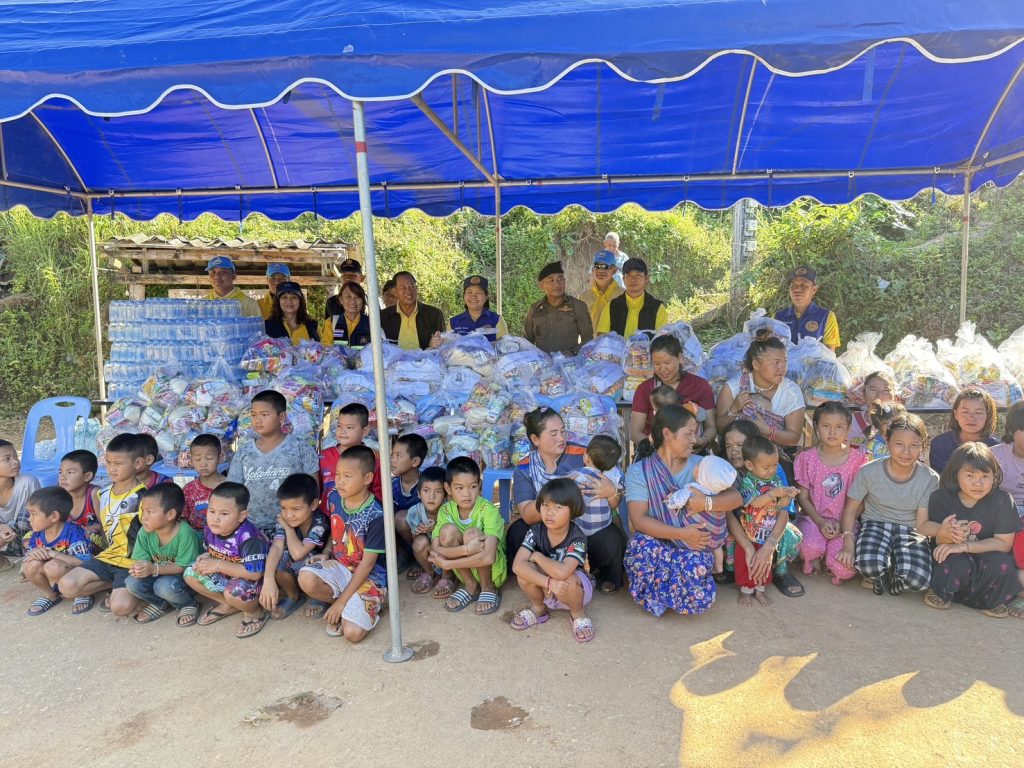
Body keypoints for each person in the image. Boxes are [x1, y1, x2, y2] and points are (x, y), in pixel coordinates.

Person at [623, 405, 742, 617]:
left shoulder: (703, 466)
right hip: (661, 541)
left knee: (697, 593)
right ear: (667, 434)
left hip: (694, 546)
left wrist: (706, 504)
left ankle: (667, 592)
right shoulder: (639, 471)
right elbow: (639, 519)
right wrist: (682, 534)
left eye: (695, 433)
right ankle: (659, 597)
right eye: (689, 433)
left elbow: (735, 498)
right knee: (641, 547)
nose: (694, 440)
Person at [837, 413, 939, 596]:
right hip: (875, 524)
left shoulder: (930, 478)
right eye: (899, 444)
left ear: (923, 446)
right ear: (887, 441)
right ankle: (880, 573)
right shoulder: (869, 471)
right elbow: (850, 510)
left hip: (910, 529)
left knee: (918, 581)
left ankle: (896, 575)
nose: (906, 452)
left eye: (914, 445)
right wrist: (848, 542)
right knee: (869, 566)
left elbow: (921, 524)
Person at [297, 446, 387, 642]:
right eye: (337, 474)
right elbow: (337, 526)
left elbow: (368, 564)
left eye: (347, 476)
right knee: (306, 577)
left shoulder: (376, 513)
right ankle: (350, 605)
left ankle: (361, 605)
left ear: (367, 478)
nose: (339, 481)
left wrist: (340, 604)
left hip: (370, 577)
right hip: (341, 566)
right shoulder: (334, 497)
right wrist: (327, 551)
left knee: (352, 633)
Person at [923, 443, 1022, 617]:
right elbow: (936, 537)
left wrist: (965, 546)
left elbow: (1004, 543)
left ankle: (989, 600)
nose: (978, 483)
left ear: (995, 476)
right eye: (970, 475)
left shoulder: (1003, 500)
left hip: (986, 554)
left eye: (985, 475)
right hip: (954, 554)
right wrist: (946, 534)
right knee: (949, 558)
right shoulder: (942, 497)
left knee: (1003, 564)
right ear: (956, 474)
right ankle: (941, 591)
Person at [509, 408, 618, 562]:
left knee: (612, 539)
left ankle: (595, 572)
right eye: (553, 434)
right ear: (535, 439)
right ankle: (538, 567)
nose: (561, 438)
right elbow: (527, 515)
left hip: (583, 525)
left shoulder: (585, 455)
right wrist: (558, 492)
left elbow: (616, 492)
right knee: (517, 532)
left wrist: (611, 492)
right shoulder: (524, 467)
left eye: (563, 431)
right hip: (548, 527)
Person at [58, 433, 146, 618]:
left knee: (120, 608)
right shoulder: (103, 493)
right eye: (108, 462)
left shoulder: (143, 497)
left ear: (137, 463)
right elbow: (105, 529)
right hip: (109, 556)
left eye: (118, 463)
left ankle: (128, 586)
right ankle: (114, 584)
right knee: (66, 587)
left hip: (132, 561)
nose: (111, 469)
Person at [718, 419, 805, 594]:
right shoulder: (724, 472)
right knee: (720, 529)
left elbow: (783, 512)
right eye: (728, 446)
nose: (734, 451)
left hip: (768, 524)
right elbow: (728, 515)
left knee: (789, 533)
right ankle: (732, 568)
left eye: (740, 445)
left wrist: (769, 546)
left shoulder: (772, 469)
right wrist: (747, 546)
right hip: (742, 526)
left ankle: (781, 571)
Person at [510, 478, 594, 643]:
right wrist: (549, 583)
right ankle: (538, 608)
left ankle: (578, 614)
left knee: (568, 579)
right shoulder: (536, 531)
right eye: (545, 505)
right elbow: (517, 566)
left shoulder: (577, 537)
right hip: (550, 585)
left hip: (573, 589)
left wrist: (537, 556)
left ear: (572, 509)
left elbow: (563, 572)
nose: (549, 512)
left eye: (558, 507)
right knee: (524, 573)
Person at [184, 482, 271, 639]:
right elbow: (213, 552)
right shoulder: (210, 529)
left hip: (255, 583)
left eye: (224, 514)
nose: (215, 518)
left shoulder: (249, 538)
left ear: (242, 516)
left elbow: (255, 574)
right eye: (211, 511)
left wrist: (218, 565)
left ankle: (254, 612)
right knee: (191, 572)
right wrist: (206, 557)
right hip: (227, 575)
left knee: (235, 591)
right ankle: (228, 605)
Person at [794, 402, 867, 584]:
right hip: (814, 519)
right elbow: (803, 497)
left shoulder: (859, 460)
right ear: (817, 427)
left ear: (848, 429)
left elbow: (861, 501)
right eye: (826, 426)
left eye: (839, 427)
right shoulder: (806, 459)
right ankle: (815, 556)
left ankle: (829, 558)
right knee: (809, 547)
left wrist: (843, 524)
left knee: (844, 568)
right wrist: (819, 521)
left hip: (847, 522)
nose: (832, 432)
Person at [227, 390, 319, 533]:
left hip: (292, 529)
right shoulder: (244, 452)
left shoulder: (301, 448)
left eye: (264, 415)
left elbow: (313, 490)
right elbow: (232, 491)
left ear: (281, 417)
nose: (257, 420)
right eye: (253, 415)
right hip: (252, 529)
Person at [428, 456, 507, 615]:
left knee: (472, 533)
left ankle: (487, 587)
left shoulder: (489, 510)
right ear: (448, 488)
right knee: (447, 532)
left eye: (472, 486)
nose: (466, 494)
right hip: (465, 571)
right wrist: (466, 549)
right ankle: (471, 586)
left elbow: (488, 557)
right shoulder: (445, 511)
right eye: (459, 488)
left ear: (480, 486)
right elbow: (435, 549)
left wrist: (448, 564)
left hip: (493, 571)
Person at [729, 436, 799, 607]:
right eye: (766, 467)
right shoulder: (748, 482)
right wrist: (772, 494)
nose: (771, 470)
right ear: (750, 465)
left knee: (765, 564)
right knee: (746, 564)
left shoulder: (776, 480)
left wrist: (788, 493)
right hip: (749, 533)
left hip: (767, 533)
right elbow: (754, 503)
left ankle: (760, 590)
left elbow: (782, 507)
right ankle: (746, 590)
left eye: (775, 465)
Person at [715, 335, 806, 461]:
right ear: (756, 364)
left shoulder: (791, 392)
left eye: (784, 361)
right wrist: (734, 408)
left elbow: (794, 438)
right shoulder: (733, 388)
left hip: (775, 458)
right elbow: (720, 429)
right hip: (738, 457)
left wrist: (768, 431)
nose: (782, 367)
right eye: (776, 363)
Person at [125, 483, 202, 627]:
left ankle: (188, 603)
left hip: (185, 579)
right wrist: (139, 568)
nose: (144, 517)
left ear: (170, 514)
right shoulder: (144, 532)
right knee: (132, 582)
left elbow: (184, 567)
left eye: (150, 512)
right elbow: (141, 559)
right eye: (142, 510)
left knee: (163, 586)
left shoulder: (185, 533)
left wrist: (153, 569)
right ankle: (161, 603)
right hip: (160, 574)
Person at [259, 473, 329, 621]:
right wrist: (268, 578)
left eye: (295, 509)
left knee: (308, 558)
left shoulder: (320, 522)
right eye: (283, 508)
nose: (288, 515)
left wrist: (288, 529)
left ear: (313, 505)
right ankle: (293, 596)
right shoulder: (285, 519)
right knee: (276, 558)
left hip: (319, 569)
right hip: (299, 567)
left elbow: (298, 554)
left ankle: (320, 596)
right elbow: (277, 547)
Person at [630, 334, 716, 449]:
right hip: (655, 451)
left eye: (667, 363)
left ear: (679, 358)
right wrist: (659, 448)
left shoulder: (700, 385)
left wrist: (701, 441)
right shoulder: (644, 389)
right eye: (657, 364)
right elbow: (635, 433)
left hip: (692, 450)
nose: (662, 369)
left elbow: (711, 427)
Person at [567, 434, 626, 594]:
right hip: (602, 528)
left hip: (577, 531)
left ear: (585, 456)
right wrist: (611, 492)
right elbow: (614, 504)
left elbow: (558, 488)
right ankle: (611, 578)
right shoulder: (610, 479)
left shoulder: (573, 475)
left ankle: (577, 573)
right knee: (616, 538)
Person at [22, 486, 94, 616]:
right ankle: (52, 595)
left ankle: (83, 593)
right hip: (54, 574)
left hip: (78, 575)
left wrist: (53, 554)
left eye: (34, 514)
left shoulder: (74, 532)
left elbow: (86, 563)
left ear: (54, 516)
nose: (29, 519)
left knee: (52, 566)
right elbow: (30, 556)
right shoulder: (37, 533)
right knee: (29, 565)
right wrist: (34, 554)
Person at [664, 455, 737, 575]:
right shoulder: (718, 491)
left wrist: (671, 500)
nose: (696, 465)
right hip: (718, 530)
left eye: (699, 465)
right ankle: (719, 567)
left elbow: (680, 499)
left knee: (699, 547)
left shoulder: (693, 488)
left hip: (701, 531)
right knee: (717, 547)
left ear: (700, 474)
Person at [319, 403, 383, 515]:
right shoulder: (324, 456)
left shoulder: (373, 458)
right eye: (339, 426)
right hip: (327, 517)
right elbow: (317, 490)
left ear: (365, 431)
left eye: (349, 427)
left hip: (359, 517)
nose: (342, 431)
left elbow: (379, 494)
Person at [522, 261, 594, 355]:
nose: (557, 284)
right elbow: (526, 341)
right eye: (551, 280)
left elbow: (588, 339)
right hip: (542, 362)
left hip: (569, 362)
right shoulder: (534, 309)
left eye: (560, 279)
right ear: (541, 285)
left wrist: (572, 353)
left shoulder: (577, 306)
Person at [929, 386, 1000, 474]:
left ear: (988, 416)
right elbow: (942, 478)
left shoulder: (997, 448)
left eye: (978, 413)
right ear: (956, 414)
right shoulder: (940, 444)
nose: (971, 417)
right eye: (965, 412)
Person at [774, 265, 840, 352]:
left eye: (804, 285)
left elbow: (830, 352)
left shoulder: (826, 316)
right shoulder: (779, 316)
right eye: (793, 285)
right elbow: (774, 348)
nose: (797, 289)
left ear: (814, 290)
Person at [596, 257, 668, 337]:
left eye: (638, 275)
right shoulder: (612, 306)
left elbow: (662, 340)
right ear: (623, 279)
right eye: (629, 275)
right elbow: (601, 338)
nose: (633, 280)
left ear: (646, 279)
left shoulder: (657, 307)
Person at [405, 467, 448, 596]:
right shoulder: (415, 512)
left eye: (438, 492)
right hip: (430, 553)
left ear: (445, 495)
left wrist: (436, 529)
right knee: (419, 543)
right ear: (419, 493)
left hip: (448, 553)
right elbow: (414, 541)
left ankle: (447, 576)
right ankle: (430, 572)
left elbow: (454, 537)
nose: (431, 496)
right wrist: (418, 531)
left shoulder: (449, 510)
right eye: (426, 491)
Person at [380, 271, 446, 351]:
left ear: (417, 289)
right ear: (395, 292)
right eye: (403, 287)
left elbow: (443, 345)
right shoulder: (383, 316)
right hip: (394, 359)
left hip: (426, 358)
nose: (408, 291)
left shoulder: (434, 314)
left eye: (411, 286)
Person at [57, 449, 103, 549]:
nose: (62, 477)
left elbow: (106, 526)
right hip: (66, 544)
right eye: (60, 472)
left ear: (88, 476)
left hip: (92, 546)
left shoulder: (94, 494)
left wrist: (80, 530)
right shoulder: (58, 497)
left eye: (70, 472)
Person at [182, 434, 226, 532]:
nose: (203, 464)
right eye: (197, 459)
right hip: (195, 537)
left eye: (209, 458)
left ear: (220, 457)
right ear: (191, 461)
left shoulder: (230, 487)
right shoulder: (188, 489)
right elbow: (183, 519)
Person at [448, 275, 508, 342]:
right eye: (469, 292)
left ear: (486, 297)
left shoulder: (497, 320)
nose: (473, 296)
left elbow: (505, 345)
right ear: (464, 296)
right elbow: (447, 346)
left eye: (478, 292)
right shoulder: (453, 323)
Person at [849, 371, 897, 446]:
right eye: (873, 389)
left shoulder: (903, 423)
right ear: (864, 393)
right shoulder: (849, 422)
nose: (879, 395)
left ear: (894, 395)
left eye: (885, 390)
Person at [579, 250, 623, 327]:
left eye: (605, 267)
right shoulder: (583, 296)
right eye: (597, 266)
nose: (601, 271)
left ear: (614, 270)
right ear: (592, 270)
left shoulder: (623, 295)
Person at [323, 281, 371, 347]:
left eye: (357, 297)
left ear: (362, 301)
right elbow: (325, 349)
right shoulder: (331, 323)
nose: (353, 301)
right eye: (348, 296)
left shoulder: (372, 324)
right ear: (341, 300)